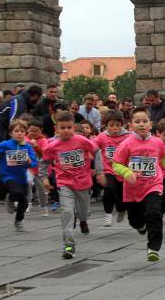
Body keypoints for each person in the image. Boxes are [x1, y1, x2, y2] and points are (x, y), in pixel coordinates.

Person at [112, 107, 165, 262]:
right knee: (134, 220)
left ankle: (153, 247)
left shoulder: (157, 142)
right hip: (132, 189)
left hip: (153, 185)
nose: (141, 125)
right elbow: (116, 165)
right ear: (130, 126)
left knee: (154, 213)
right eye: (137, 122)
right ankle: (141, 226)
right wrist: (127, 173)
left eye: (145, 121)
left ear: (151, 124)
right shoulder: (126, 144)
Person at [39, 111, 104, 259]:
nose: (66, 130)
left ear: (74, 127)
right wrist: (44, 178)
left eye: (69, 127)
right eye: (62, 128)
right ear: (56, 129)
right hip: (64, 182)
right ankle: (69, 244)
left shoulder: (82, 141)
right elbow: (44, 162)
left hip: (84, 182)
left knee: (83, 212)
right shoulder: (53, 146)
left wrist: (99, 171)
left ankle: (82, 220)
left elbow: (97, 151)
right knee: (67, 211)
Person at [93, 110, 130, 227]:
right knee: (109, 189)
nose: (115, 128)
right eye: (111, 125)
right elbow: (92, 148)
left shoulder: (128, 136)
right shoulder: (101, 137)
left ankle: (121, 209)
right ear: (106, 125)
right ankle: (108, 214)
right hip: (108, 170)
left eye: (118, 125)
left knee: (121, 196)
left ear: (122, 125)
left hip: (123, 171)